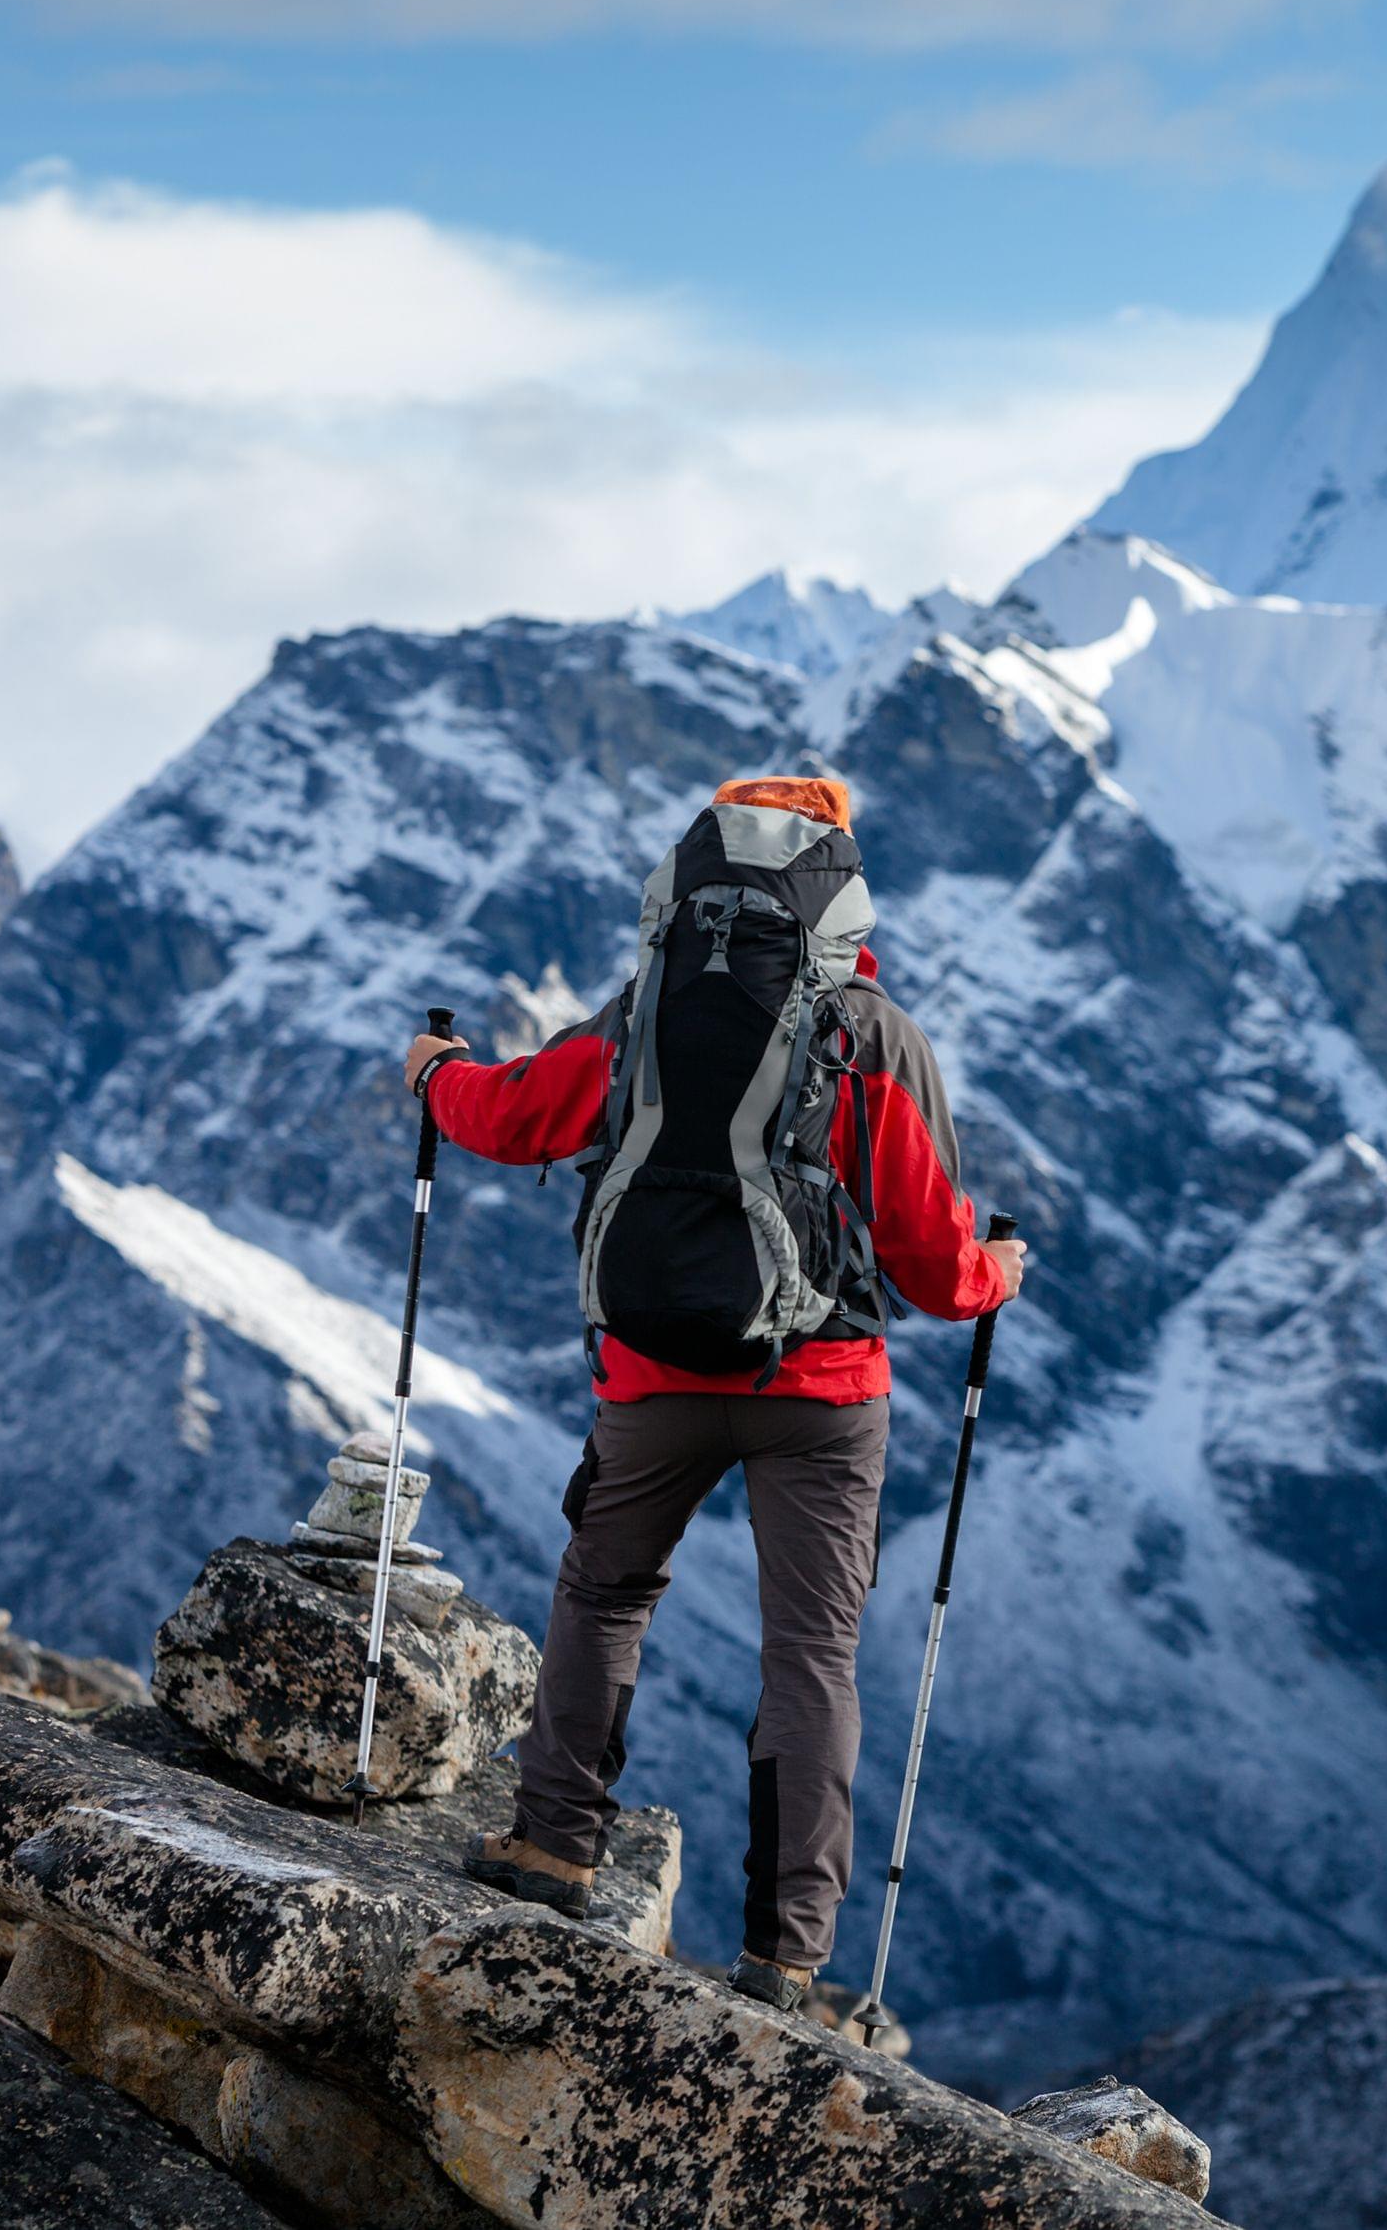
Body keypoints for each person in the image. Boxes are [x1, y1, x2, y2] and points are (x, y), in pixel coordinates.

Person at [401, 773, 1025, 2017]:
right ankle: (784, 1952)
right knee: (810, 1653)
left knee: (604, 1590)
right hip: (825, 1392)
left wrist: (434, 1072)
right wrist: (995, 1268)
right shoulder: (869, 1033)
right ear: (836, 891)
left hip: (652, 1375)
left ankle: (551, 1844)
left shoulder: (640, 1012)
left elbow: (518, 1115)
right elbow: (932, 1264)